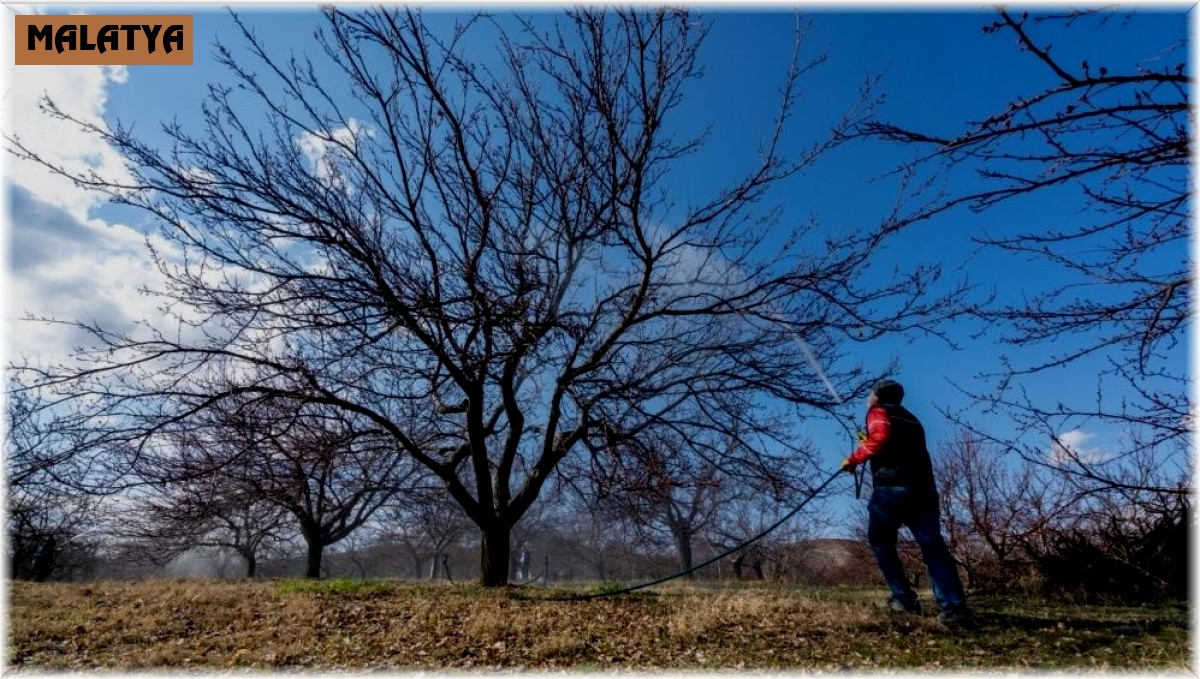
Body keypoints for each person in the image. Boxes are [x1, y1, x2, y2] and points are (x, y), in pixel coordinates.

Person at [841, 379, 972, 627]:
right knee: (933, 546)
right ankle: (954, 609)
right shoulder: (912, 419)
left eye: (870, 394)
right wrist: (868, 443)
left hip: (893, 489)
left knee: (881, 540)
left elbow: (880, 438)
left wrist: (854, 458)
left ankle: (903, 598)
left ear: (877, 397)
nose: (868, 398)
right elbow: (889, 442)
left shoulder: (878, 411)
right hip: (925, 490)